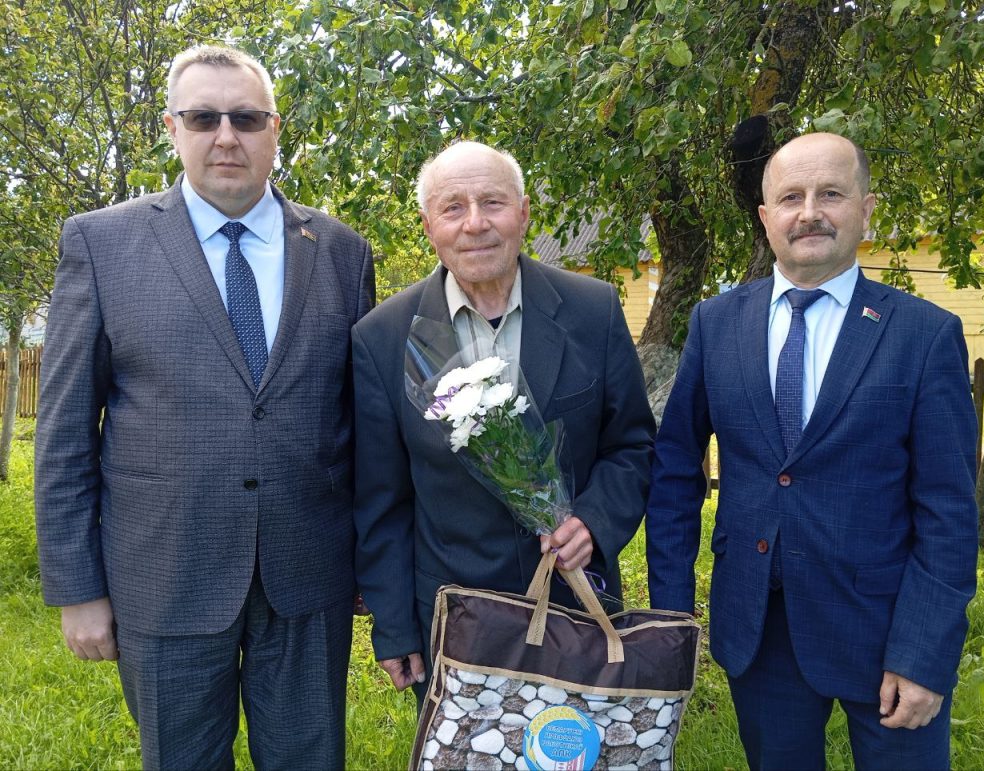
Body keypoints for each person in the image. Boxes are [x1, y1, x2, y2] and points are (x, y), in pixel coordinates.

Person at [34, 45, 374, 769]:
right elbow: (64, 431)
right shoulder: (101, 243)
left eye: (245, 118)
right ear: (172, 128)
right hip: (164, 576)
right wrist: (77, 587)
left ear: (274, 129)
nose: (226, 136)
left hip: (308, 575)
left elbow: (361, 425)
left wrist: (372, 560)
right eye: (203, 118)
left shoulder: (341, 251)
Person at [646, 132, 978, 769]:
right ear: (765, 216)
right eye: (790, 197)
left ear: (866, 208)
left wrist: (923, 651)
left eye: (830, 194)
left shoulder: (923, 334)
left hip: (885, 629)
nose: (809, 213)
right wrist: (670, 610)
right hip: (759, 626)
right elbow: (675, 470)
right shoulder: (717, 323)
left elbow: (950, 512)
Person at [352, 140, 655, 695]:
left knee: (574, 741)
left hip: (575, 607)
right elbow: (381, 500)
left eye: (492, 202)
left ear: (523, 212)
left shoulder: (593, 310)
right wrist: (394, 627)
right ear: (428, 227)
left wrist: (593, 522)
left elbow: (632, 445)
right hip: (455, 619)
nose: (475, 223)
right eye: (453, 208)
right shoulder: (382, 338)